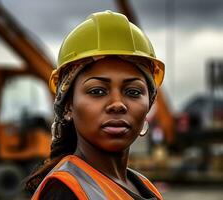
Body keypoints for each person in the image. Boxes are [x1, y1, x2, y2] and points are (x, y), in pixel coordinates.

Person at [26, 10, 165, 200]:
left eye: (133, 92)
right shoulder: (65, 191)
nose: (117, 105)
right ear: (68, 106)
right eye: (97, 91)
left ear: (149, 104)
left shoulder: (143, 186)